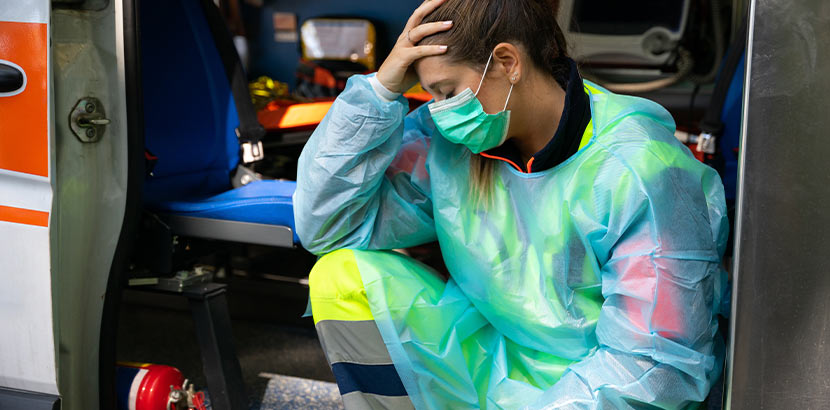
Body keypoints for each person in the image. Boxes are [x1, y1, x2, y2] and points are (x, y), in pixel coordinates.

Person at [293, 0, 729, 408]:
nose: (440, 112)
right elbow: (326, 226)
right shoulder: (455, 146)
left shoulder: (641, 169)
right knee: (340, 275)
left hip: (603, 389)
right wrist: (380, 91)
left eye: (447, 92)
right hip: (499, 360)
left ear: (507, 62)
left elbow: (653, 364)